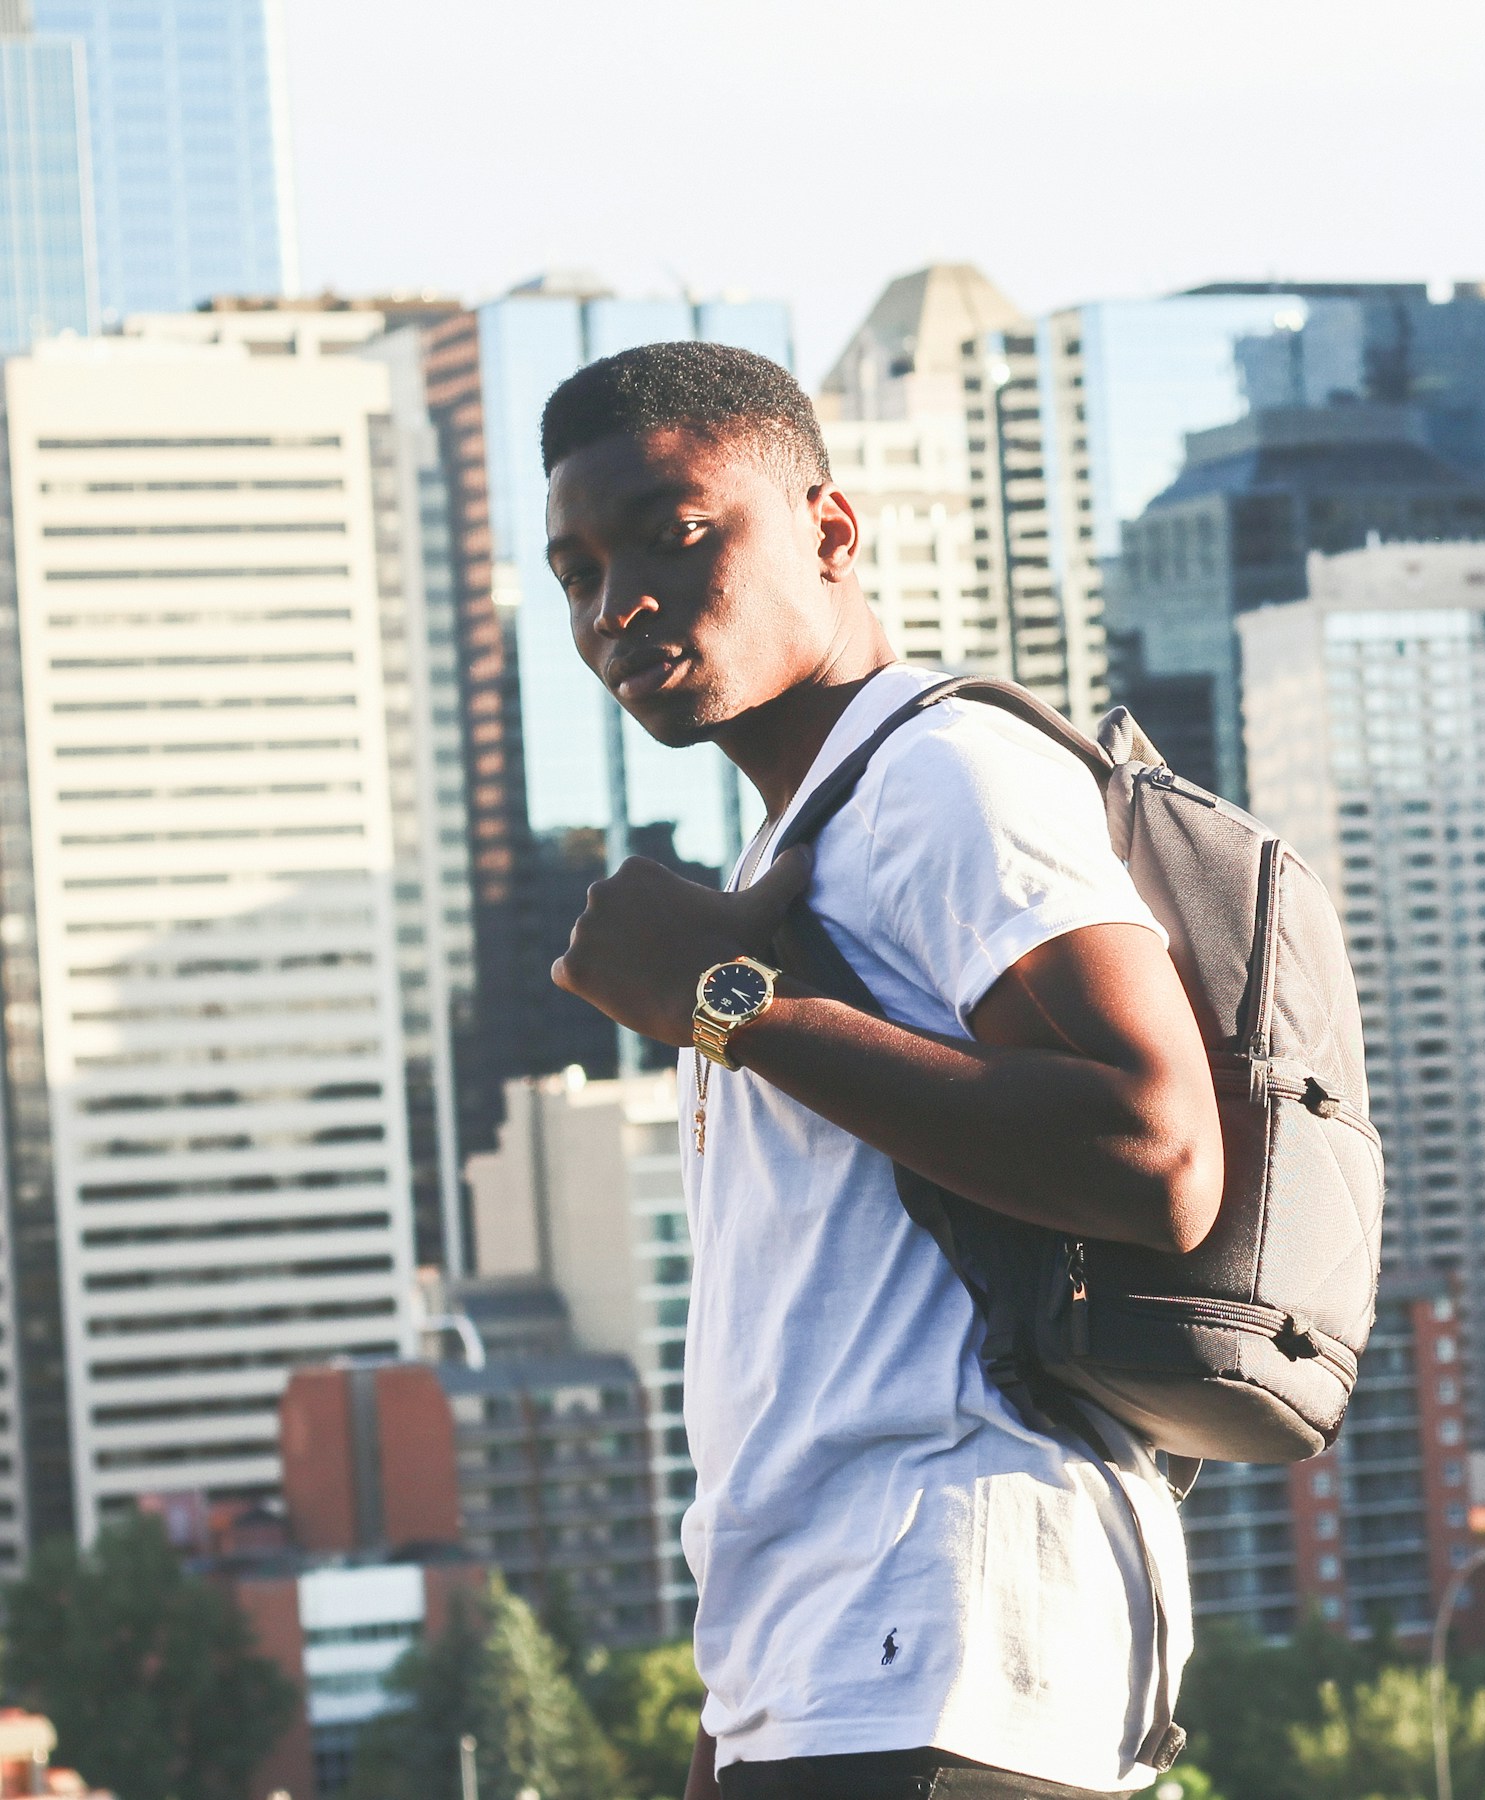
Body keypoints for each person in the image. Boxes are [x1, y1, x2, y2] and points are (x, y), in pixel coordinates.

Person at [543, 341, 1223, 1800]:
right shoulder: (807, 843)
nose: (617, 606)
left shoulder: (948, 773)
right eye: (577, 573)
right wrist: (735, 1721)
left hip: (946, 1633)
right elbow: (811, 1327)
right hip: (829, 1666)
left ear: (831, 530)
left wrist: (721, 1000)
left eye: (673, 535)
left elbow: (1161, 1151)